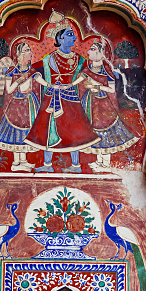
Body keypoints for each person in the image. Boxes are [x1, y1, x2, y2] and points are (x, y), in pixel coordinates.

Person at [24, 10, 100, 173]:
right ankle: (47, 165)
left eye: (73, 34)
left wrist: (77, 82)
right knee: (47, 129)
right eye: (70, 34)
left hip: (71, 99)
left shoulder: (80, 60)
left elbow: (88, 74)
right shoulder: (48, 58)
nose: (74, 37)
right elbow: (32, 72)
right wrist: (46, 83)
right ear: (60, 39)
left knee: (75, 131)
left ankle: (76, 166)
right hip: (51, 98)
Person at [78, 39, 139, 171]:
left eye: (93, 49)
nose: (89, 51)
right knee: (95, 133)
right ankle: (99, 161)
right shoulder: (88, 70)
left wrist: (97, 86)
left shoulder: (106, 70)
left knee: (106, 133)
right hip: (92, 105)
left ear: (101, 53)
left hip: (104, 106)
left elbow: (111, 89)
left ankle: (105, 163)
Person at [0, 41, 48, 172]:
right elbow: (9, 90)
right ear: (20, 54)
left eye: (30, 51)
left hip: (28, 106)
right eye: (27, 50)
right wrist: (19, 81)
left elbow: (42, 82)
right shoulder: (11, 71)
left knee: (26, 133)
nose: (31, 53)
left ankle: (23, 161)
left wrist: (53, 86)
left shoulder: (31, 70)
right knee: (17, 133)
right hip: (16, 107)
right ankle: (16, 163)